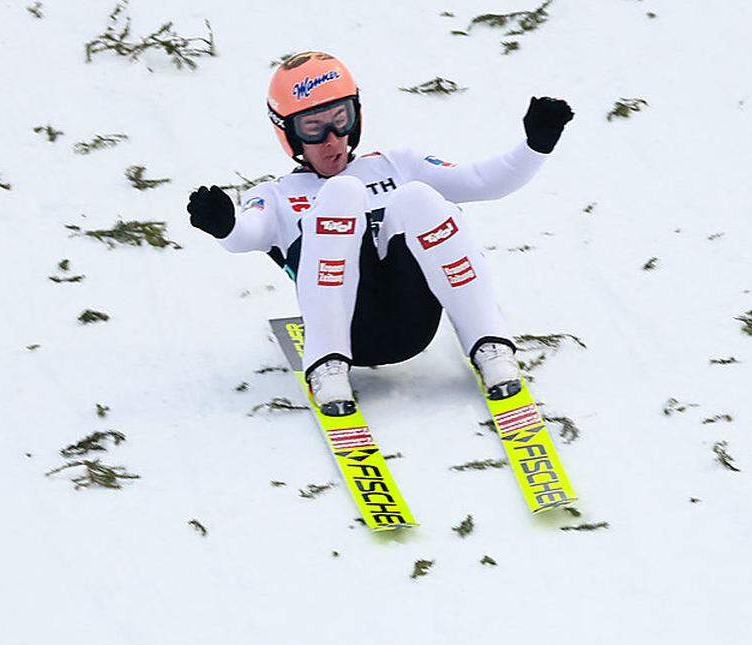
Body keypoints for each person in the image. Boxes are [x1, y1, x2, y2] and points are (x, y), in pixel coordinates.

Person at [186, 51, 574, 416]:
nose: (332, 139)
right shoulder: (275, 195)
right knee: (342, 194)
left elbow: (481, 181)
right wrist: (225, 224)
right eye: (313, 127)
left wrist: (535, 146)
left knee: (419, 197)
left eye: (341, 119)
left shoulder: (396, 164)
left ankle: (489, 344)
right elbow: (245, 235)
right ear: (289, 134)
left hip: (412, 318)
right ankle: (327, 366)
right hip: (350, 330)